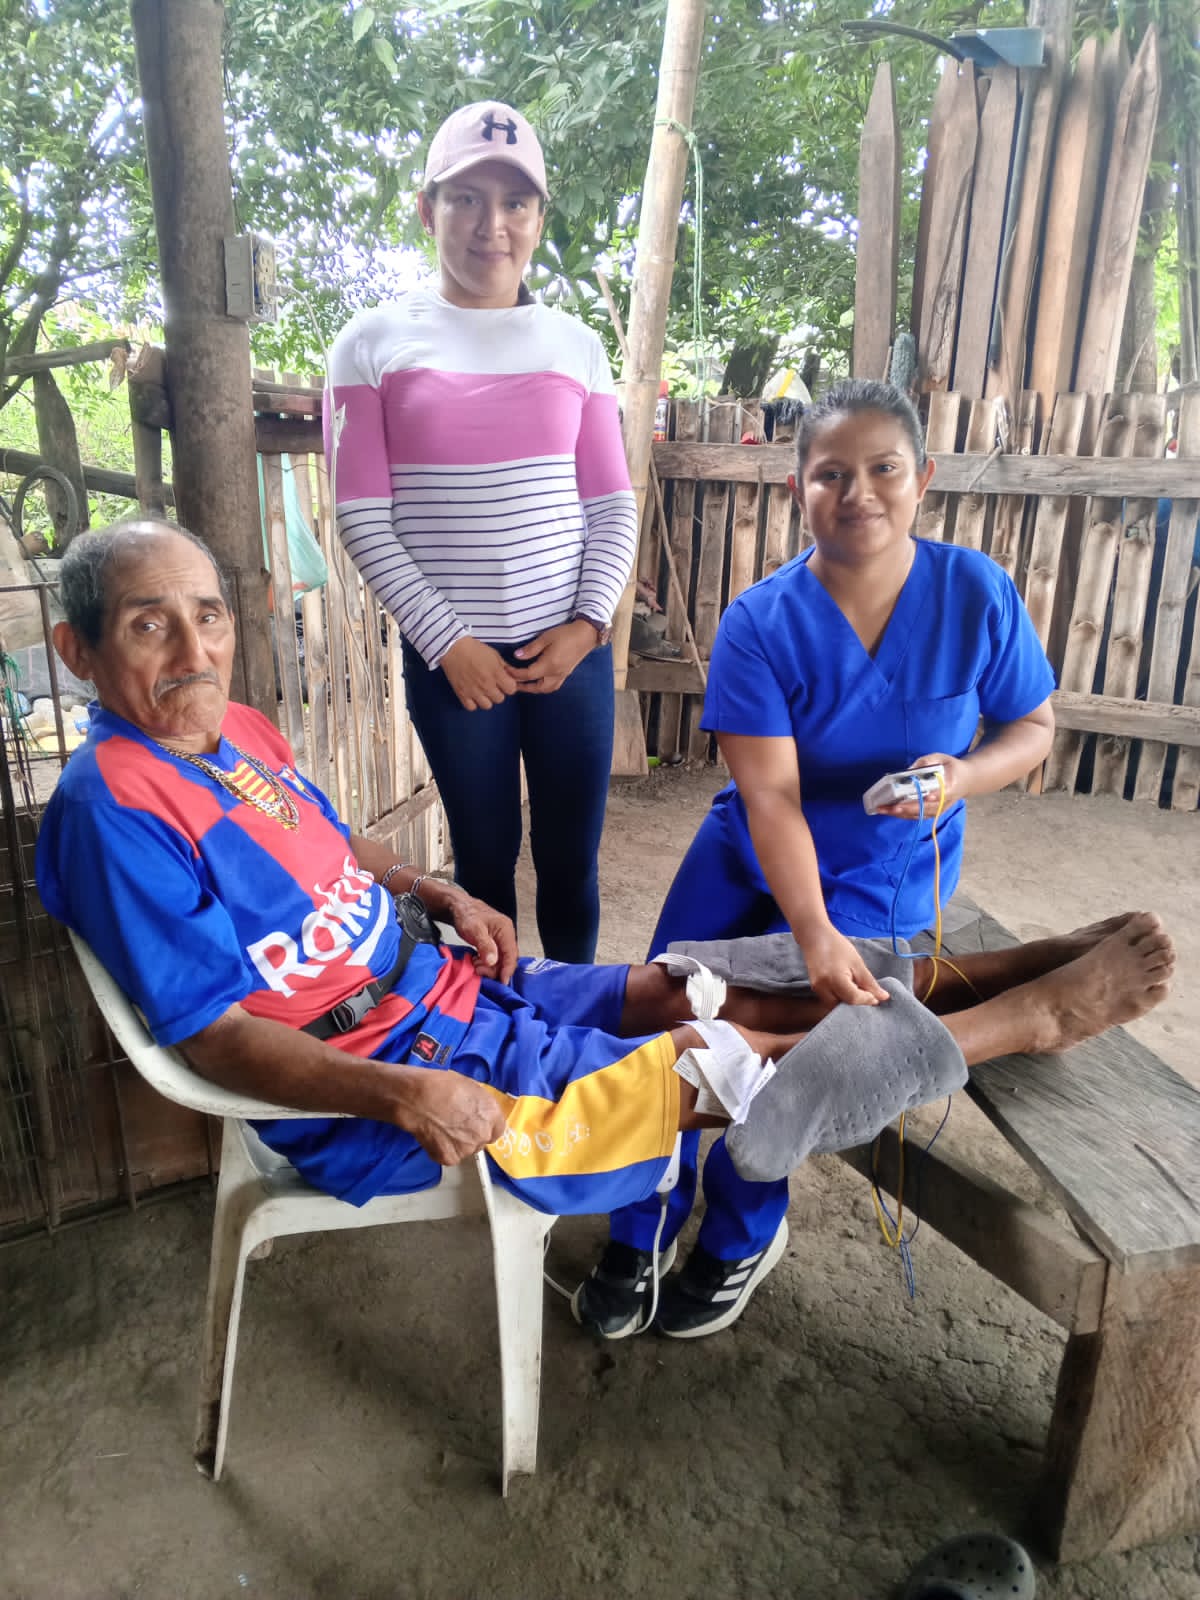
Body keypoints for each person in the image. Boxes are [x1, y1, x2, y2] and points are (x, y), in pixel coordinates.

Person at [34, 520, 1171, 1220]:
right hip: (383, 1077)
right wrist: (402, 1093)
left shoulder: (236, 733)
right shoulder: (112, 806)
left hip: (446, 992)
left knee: (693, 989)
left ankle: (1000, 969)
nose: (195, 651)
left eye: (208, 615)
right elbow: (213, 1039)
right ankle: (1025, 1019)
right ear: (77, 649)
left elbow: (341, 850)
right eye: (148, 625)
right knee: (731, 1062)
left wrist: (440, 891)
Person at [576, 378, 1059, 1340]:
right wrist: (809, 931)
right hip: (751, 852)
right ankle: (643, 1217)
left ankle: (743, 1230)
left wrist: (963, 775)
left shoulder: (977, 595)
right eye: (832, 473)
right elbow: (772, 798)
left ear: (923, 478)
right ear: (798, 488)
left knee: (793, 1051)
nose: (859, 493)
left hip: (884, 872)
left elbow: (1034, 727)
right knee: (675, 1013)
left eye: (884, 469)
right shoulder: (762, 621)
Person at [324, 100, 636, 965]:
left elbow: (612, 504)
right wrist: (449, 643)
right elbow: (362, 517)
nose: (491, 224)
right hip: (453, 665)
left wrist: (587, 626)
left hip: (568, 656)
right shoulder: (370, 344)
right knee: (485, 867)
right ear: (428, 211)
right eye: (465, 198)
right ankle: (497, 1024)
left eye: (514, 202)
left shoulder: (576, 345)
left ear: (538, 217)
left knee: (571, 864)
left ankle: (577, 1016)